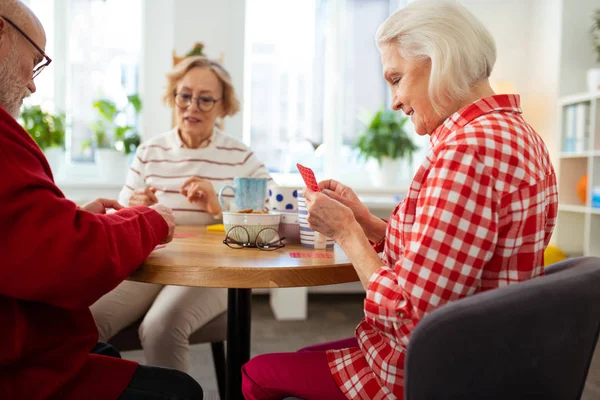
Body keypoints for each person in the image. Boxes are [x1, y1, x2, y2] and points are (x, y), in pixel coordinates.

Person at [241, 0, 559, 399]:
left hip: (430, 373)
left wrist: (346, 233)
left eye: (396, 79)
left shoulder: (467, 152)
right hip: (488, 356)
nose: (393, 101)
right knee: (304, 356)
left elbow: (411, 319)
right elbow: (452, 257)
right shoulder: (518, 133)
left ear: (440, 60)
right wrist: (366, 223)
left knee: (256, 373)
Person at [0, 1, 203, 399]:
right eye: (36, 61)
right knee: (176, 383)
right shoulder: (151, 147)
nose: (32, 84)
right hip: (24, 369)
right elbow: (68, 257)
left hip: (30, 345)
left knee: (140, 338)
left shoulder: (239, 152)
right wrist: (151, 218)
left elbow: (24, 230)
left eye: (205, 99)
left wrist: (71, 216)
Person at [91, 56, 271, 372]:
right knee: (87, 321)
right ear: (173, 96)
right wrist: (133, 209)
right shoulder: (150, 152)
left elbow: (274, 216)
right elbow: (116, 218)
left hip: (213, 271)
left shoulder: (241, 158)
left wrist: (219, 206)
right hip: (152, 265)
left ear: (223, 106)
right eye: (184, 96)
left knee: (161, 326)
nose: (192, 107)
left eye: (205, 100)